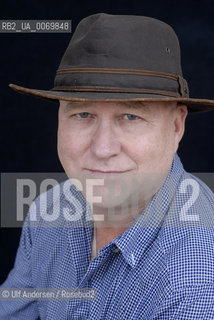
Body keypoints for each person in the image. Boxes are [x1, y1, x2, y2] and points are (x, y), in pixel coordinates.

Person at [1, 13, 214, 319]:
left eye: (130, 117)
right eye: (83, 114)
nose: (102, 149)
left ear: (177, 126)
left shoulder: (196, 283)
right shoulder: (48, 212)